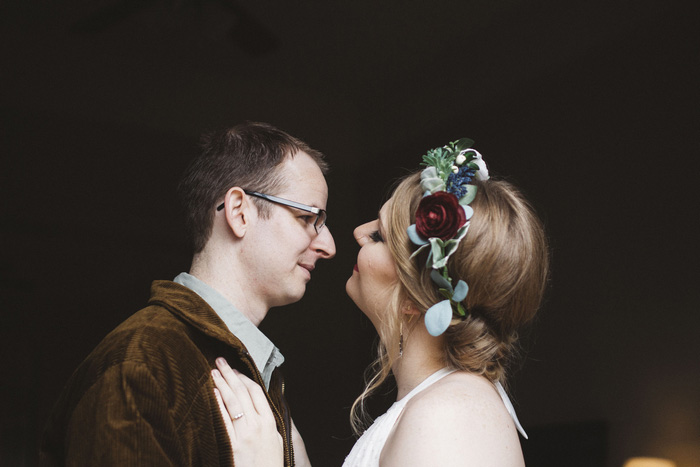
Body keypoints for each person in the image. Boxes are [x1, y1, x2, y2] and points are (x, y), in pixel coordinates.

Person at [213, 138, 549, 466]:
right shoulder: (441, 404)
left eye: (379, 237)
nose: (358, 232)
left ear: (416, 299)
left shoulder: (449, 416)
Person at [39, 122, 336, 466]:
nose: (328, 245)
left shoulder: (248, 367)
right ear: (240, 212)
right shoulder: (142, 364)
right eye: (307, 217)